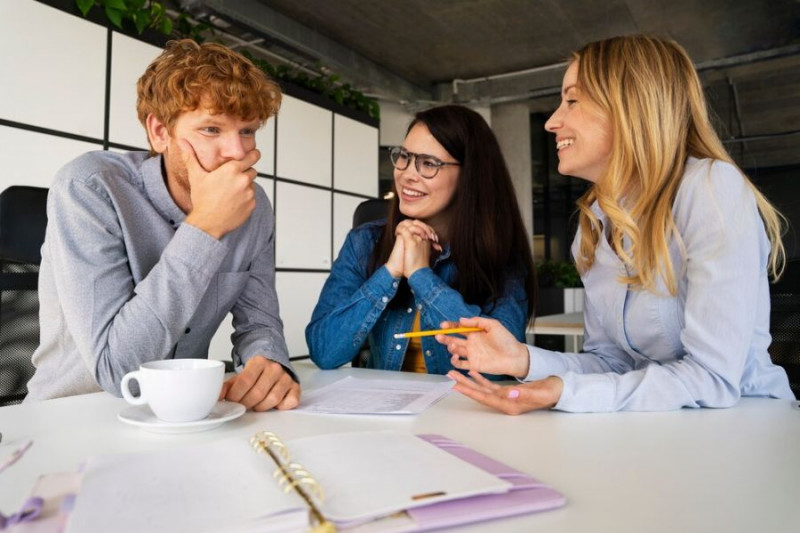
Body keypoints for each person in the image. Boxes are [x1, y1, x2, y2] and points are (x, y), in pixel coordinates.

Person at [438, 35, 795, 413]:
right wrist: (523, 361)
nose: (553, 122)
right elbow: (613, 365)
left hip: (748, 426)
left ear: (630, 107)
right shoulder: (595, 224)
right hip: (657, 429)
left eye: (572, 100)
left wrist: (564, 392)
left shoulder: (709, 188)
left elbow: (712, 378)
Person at [26, 40, 300, 411]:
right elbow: (116, 371)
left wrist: (268, 363)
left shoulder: (254, 206)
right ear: (159, 132)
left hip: (180, 415)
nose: (237, 152)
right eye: (211, 129)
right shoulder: (88, 187)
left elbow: (259, 323)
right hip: (73, 418)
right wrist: (205, 227)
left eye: (248, 131)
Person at [306, 105, 535, 374]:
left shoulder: (500, 253)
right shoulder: (365, 242)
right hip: (386, 408)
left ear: (469, 176)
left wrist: (420, 275)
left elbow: (500, 360)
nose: (407, 174)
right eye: (404, 156)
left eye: (428, 163)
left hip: (464, 410)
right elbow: (323, 350)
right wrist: (390, 271)